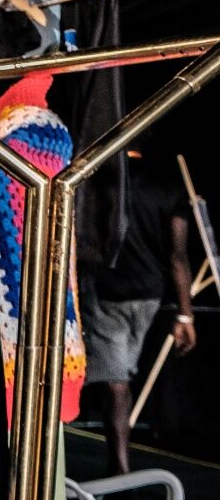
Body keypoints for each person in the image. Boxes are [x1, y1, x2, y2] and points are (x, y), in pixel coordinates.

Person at [81, 151, 197, 475]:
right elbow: (178, 255)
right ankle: (120, 471)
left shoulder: (99, 179)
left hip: (110, 292)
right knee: (120, 379)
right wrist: (185, 314)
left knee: (116, 384)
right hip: (149, 295)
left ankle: (120, 475)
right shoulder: (166, 184)